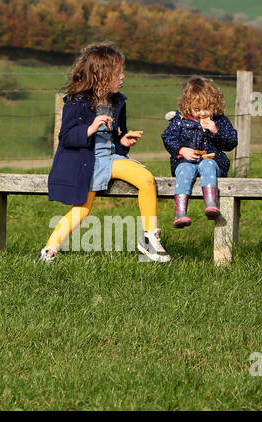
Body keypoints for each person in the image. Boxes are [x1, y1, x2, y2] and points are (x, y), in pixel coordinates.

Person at [38, 41, 170, 263]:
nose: (123, 77)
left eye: (122, 72)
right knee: (82, 209)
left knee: (146, 179)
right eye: (118, 73)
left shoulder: (118, 102)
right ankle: (49, 251)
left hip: (111, 158)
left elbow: (116, 137)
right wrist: (90, 128)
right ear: (101, 75)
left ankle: (149, 237)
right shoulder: (76, 101)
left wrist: (124, 141)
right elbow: (66, 137)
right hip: (88, 161)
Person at [162, 77, 238, 228]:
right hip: (185, 162)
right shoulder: (180, 120)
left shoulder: (220, 120)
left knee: (207, 164)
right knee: (184, 169)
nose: (202, 113)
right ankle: (180, 213)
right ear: (187, 106)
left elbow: (231, 142)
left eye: (206, 109)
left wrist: (216, 131)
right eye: (197, 109)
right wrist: (181, 150)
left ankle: (211, 204)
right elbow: (168, 137)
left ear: (215, 105)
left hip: (213, 163)